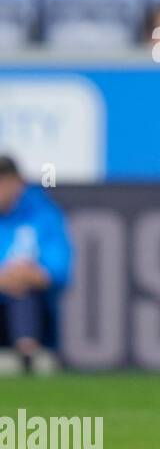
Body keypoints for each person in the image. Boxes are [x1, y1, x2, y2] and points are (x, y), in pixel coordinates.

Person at [0, 156, 72, 375]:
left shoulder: (42, 214)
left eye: (3, 182)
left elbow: (59, 269)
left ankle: (27, 356)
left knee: (23, 293)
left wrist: (28, 275)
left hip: (27, 305)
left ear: (18, 183)